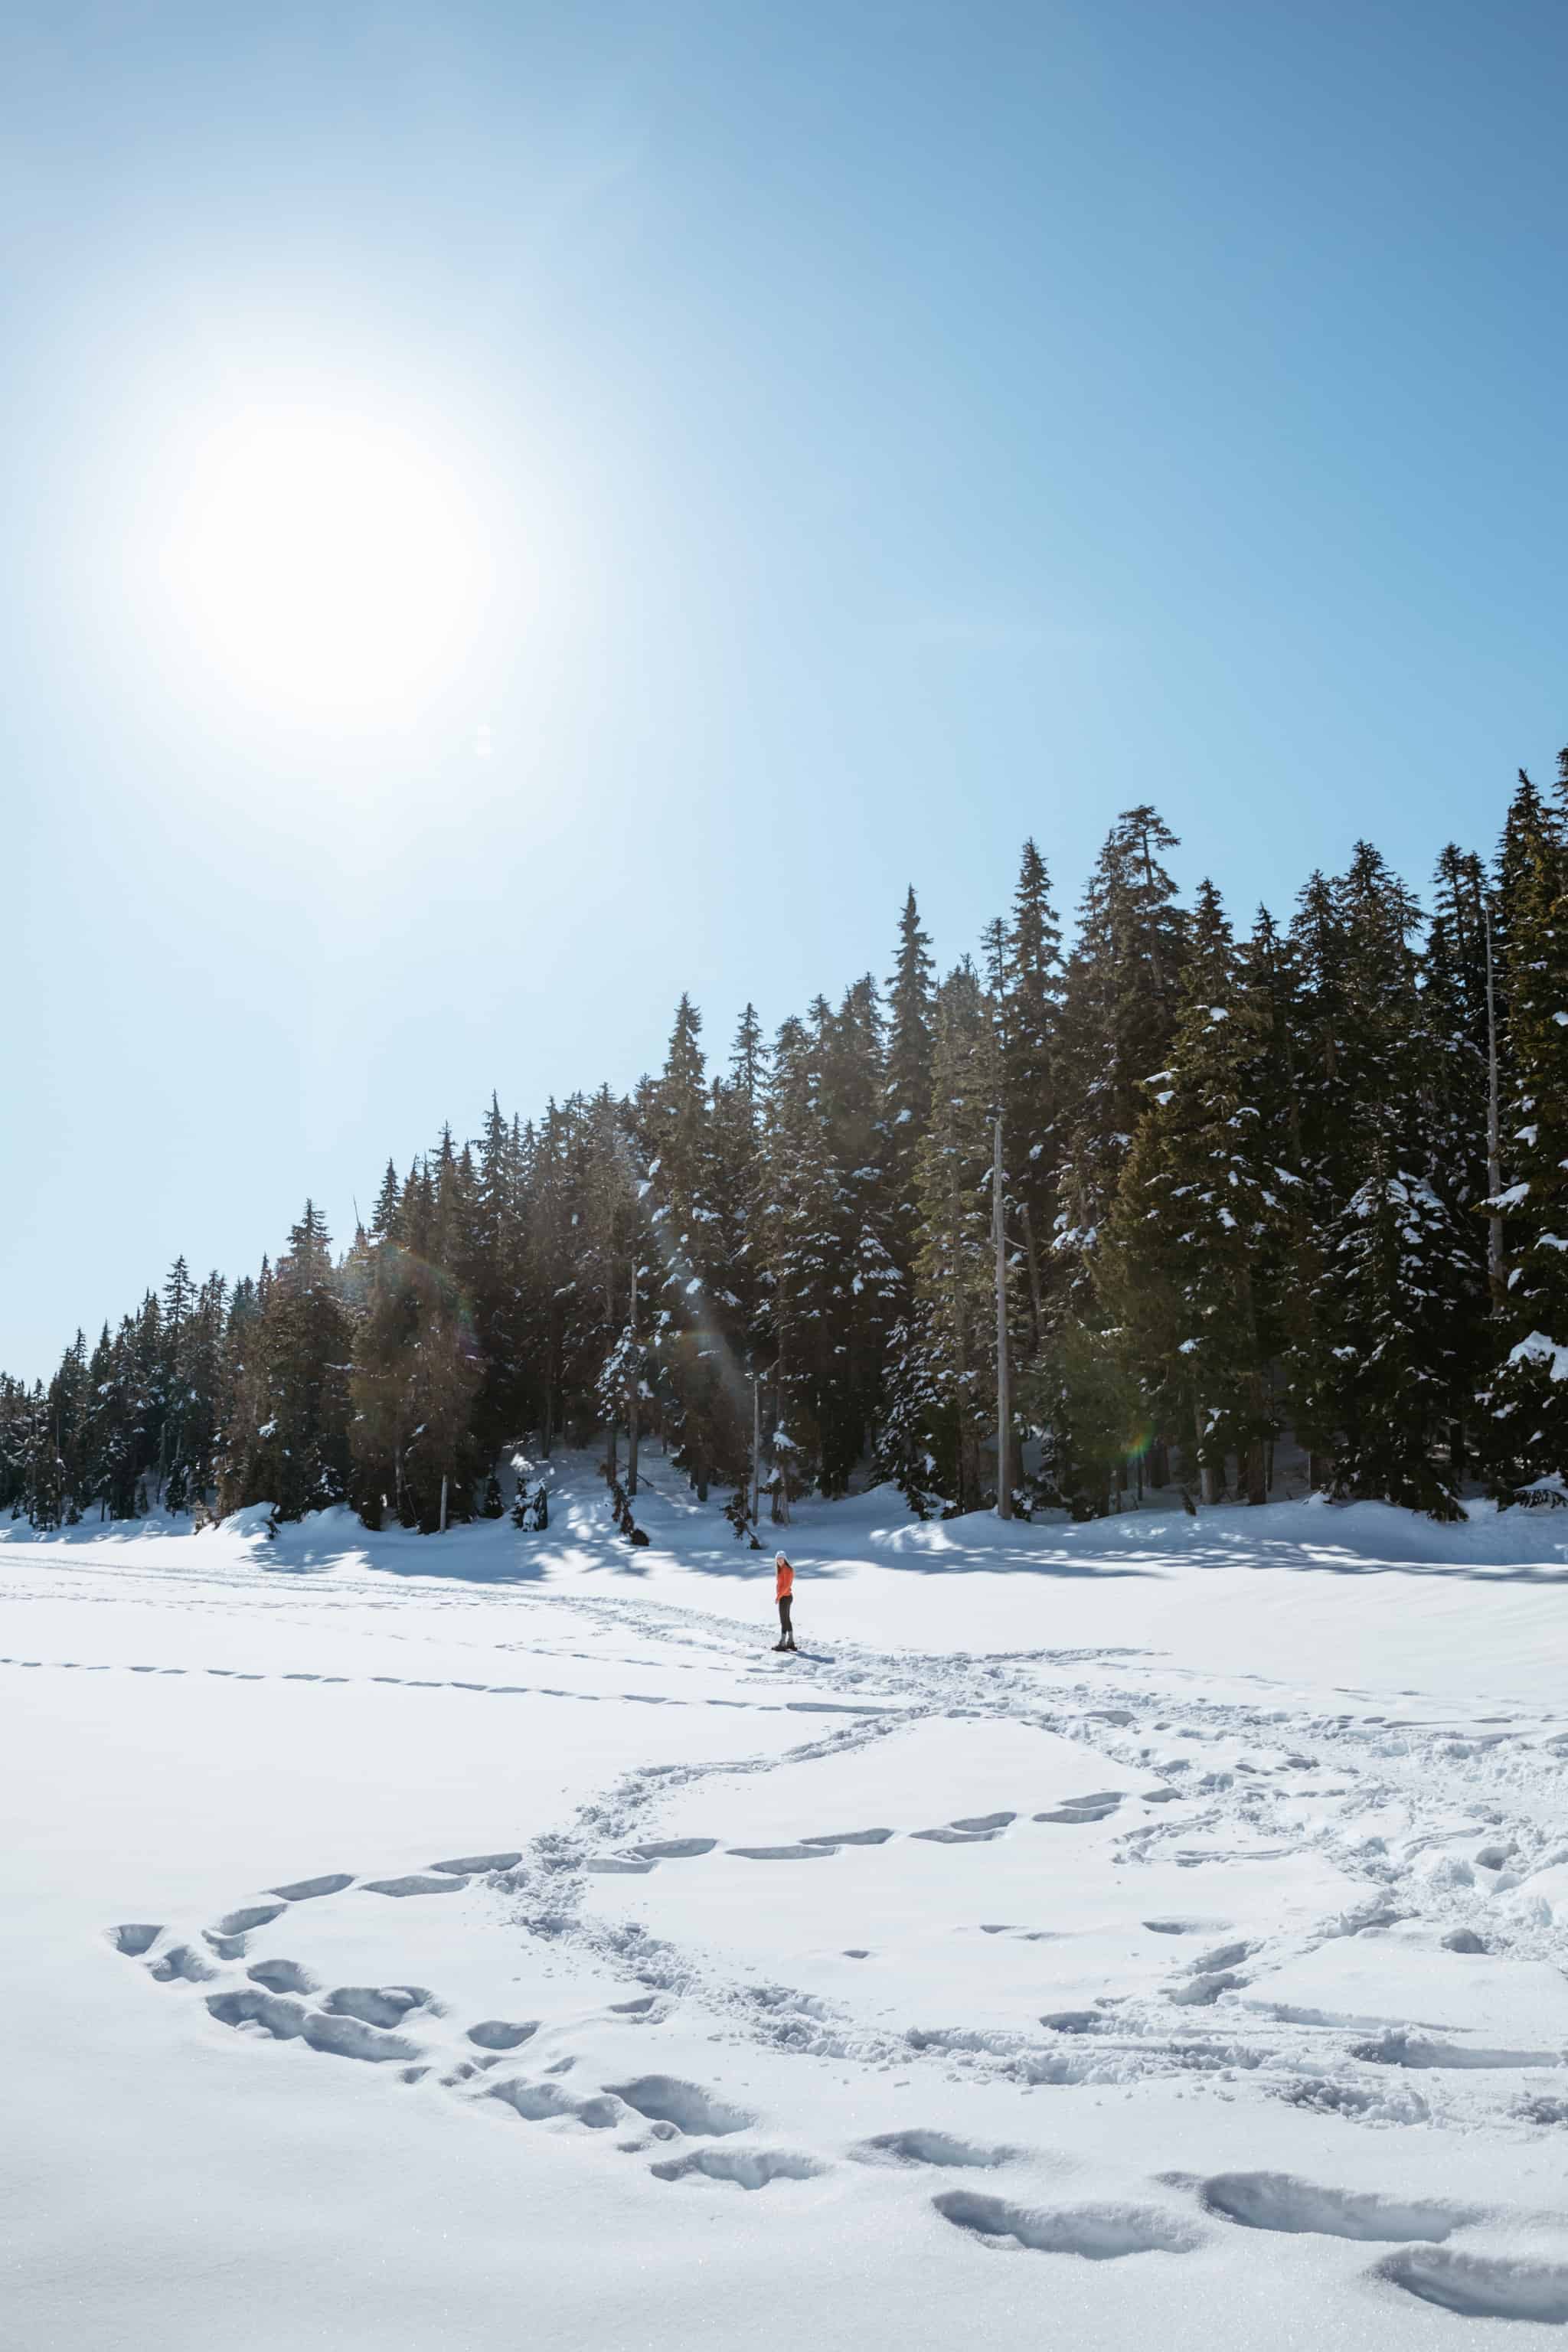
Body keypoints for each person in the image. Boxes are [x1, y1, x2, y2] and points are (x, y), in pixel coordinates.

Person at [772, 1549, 796, 1652]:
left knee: (784, 1621)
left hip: (785, 1598)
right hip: (786, 1597)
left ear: (785, 1559)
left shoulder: (787, 1569)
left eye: (781, 1559)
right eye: (778, 1559)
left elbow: (787, 1586)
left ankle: (783, 1643)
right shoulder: (782, 1569)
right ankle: (790, 1642)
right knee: (787, 1620)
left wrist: (778, 1597)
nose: (780, 1561)